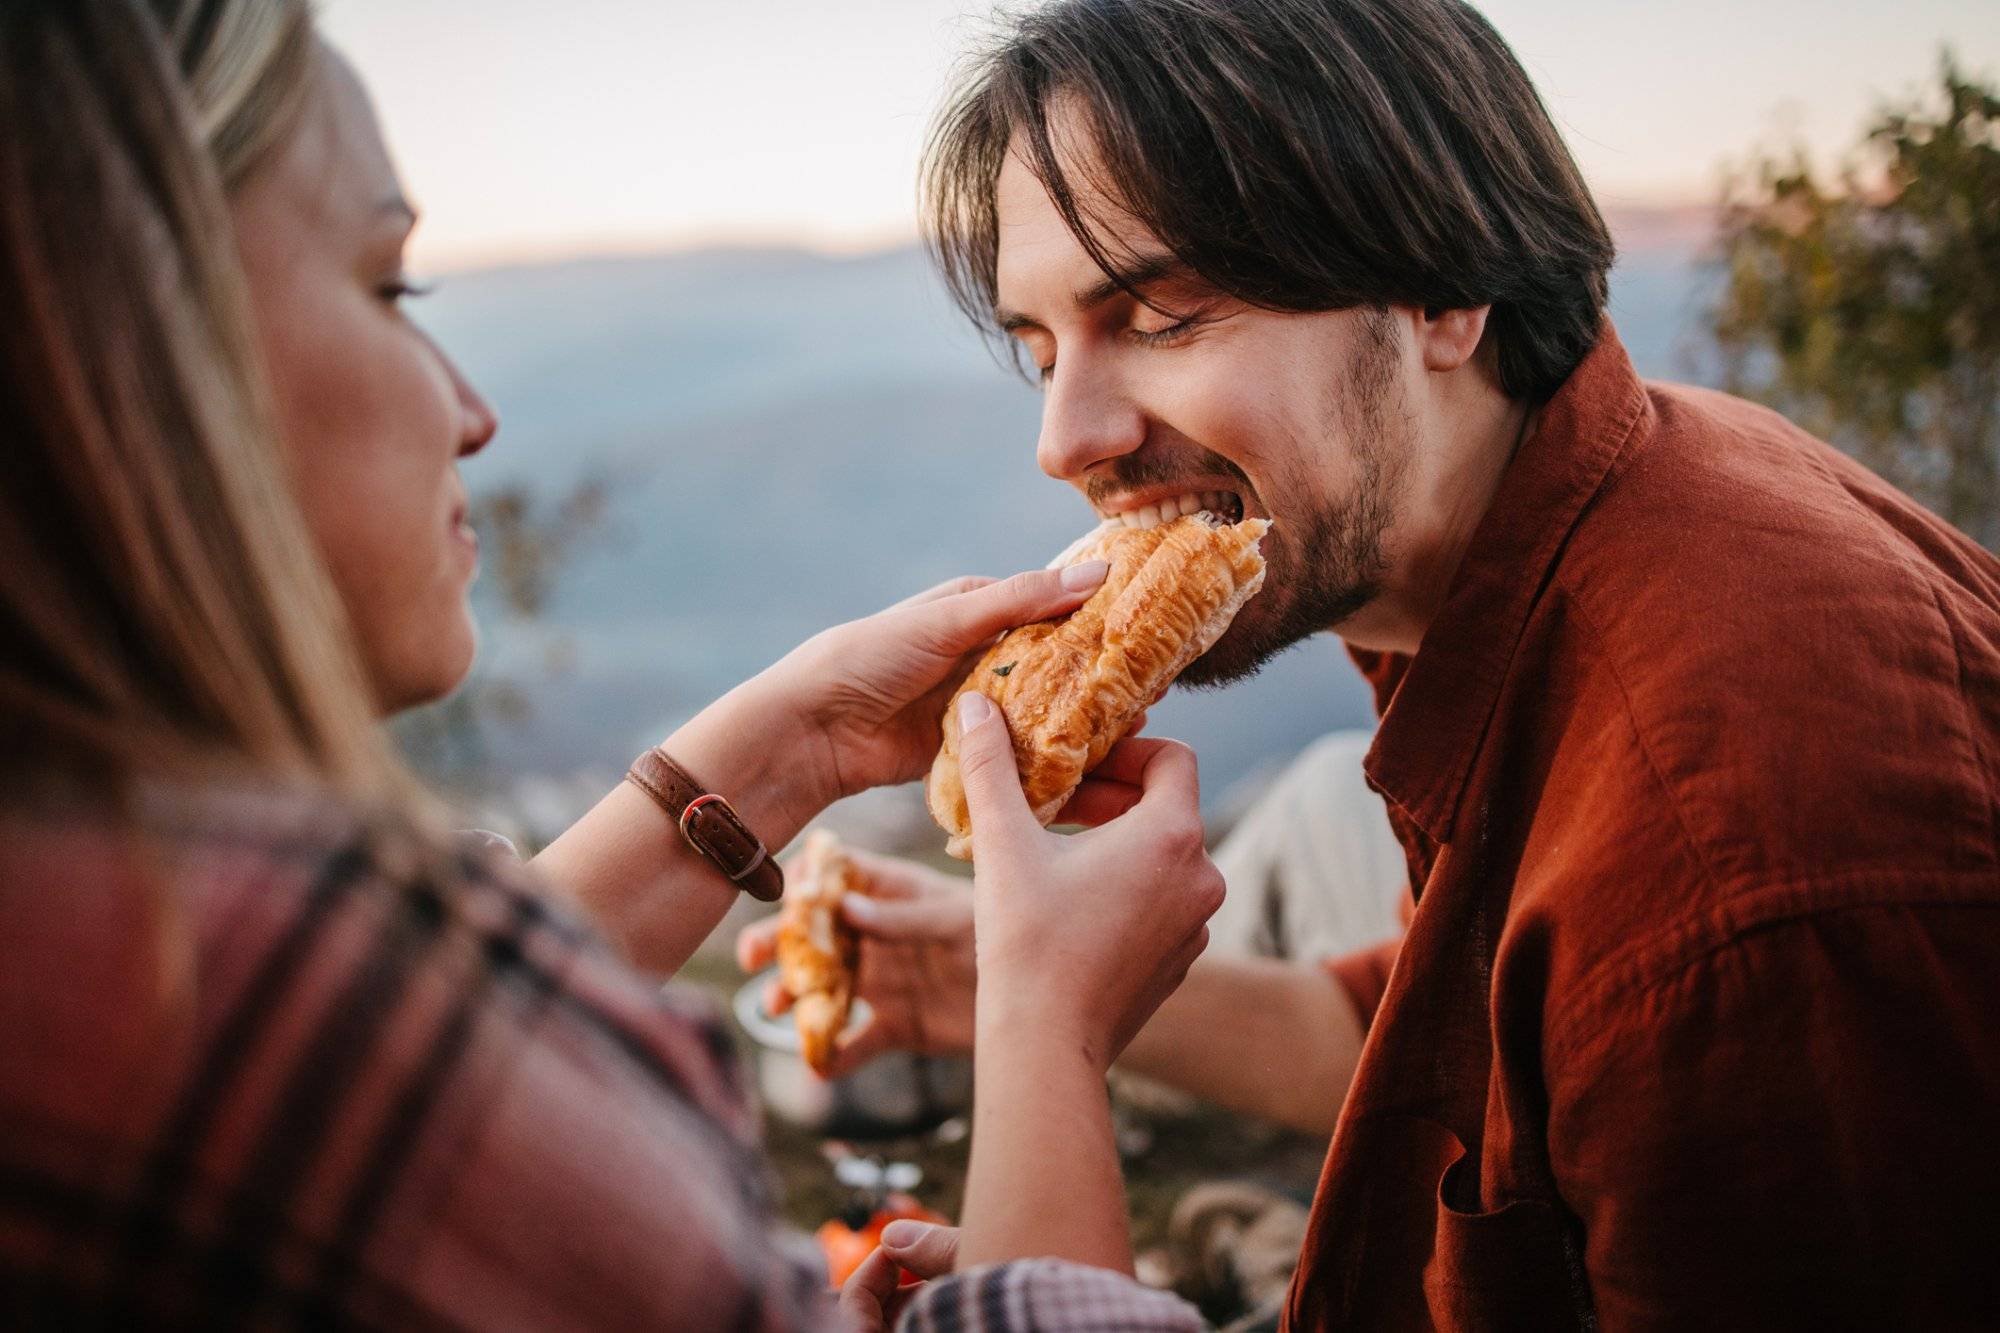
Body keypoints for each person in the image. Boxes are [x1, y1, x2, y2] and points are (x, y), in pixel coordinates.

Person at [754, 0, 2000, 1326]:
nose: (1064, 440)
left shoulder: (1739, 882)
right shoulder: (1490, 553)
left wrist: (1046, 1127)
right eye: (1042, 348)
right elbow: (1448, 1037)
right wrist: (987, 971)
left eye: (1164, 311)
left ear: (1440, 288)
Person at [0, 1, 1223, 1327]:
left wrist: (801, 741)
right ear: (134, 356)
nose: (474, 411)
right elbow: (424, 1058)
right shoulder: (248, 994)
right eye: (388, 289)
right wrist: (1049, 1017)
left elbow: (460, 1017)